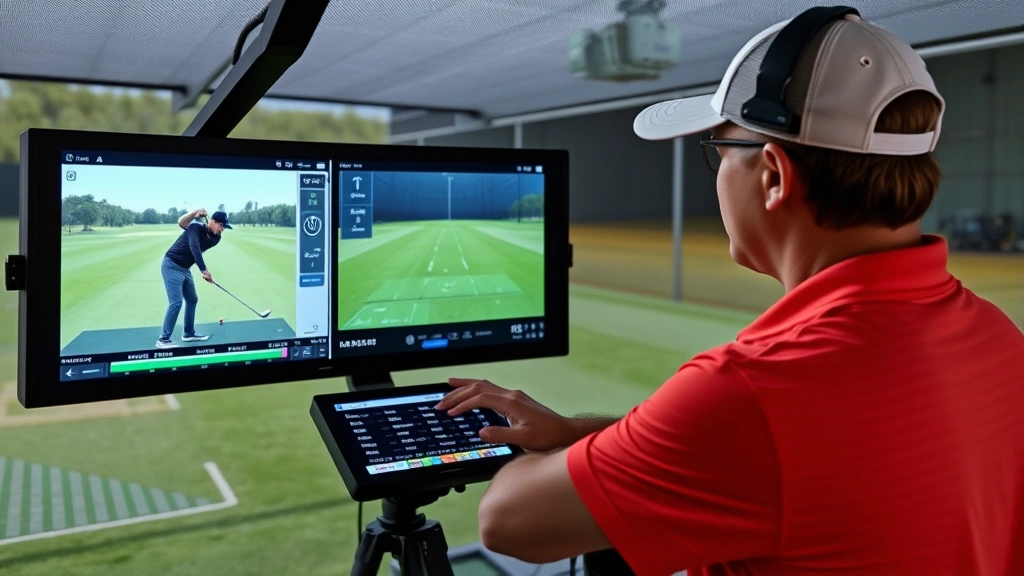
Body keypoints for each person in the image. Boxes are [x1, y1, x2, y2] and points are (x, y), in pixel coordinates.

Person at [436, 7, 1024, 576]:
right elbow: (776, 462)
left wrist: (528, 456)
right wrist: (580, 437)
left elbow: (508, 523)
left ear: (772, 175)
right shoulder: (997, 336)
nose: (717, 175)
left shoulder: (756, 391)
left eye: (718, 151)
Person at [157, 208, 232, 349]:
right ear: (214, 222)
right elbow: (193, 247)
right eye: (221, 226)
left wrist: (204, 271)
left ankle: (188, 333)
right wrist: (193, 214)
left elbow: (199, 247)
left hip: (185, 269)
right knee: (176, 302)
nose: (222, 230)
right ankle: (163, 339)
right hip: (171, 265)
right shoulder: (194, 227)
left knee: (192, 299)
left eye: (224, 227)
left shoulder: (216, 239)